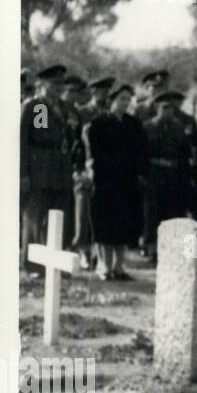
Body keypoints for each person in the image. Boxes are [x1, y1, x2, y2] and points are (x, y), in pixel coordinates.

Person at [83, 84, 148, 281]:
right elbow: (94, 152)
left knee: (124, 223)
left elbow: (142, 151)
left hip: (127, 181)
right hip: (105, 180)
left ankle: (119, 266)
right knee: (104, 224)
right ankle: (104, 265)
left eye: (128, 99)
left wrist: (140, 174)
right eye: (121, 99)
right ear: (111, 100)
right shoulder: (99, 123)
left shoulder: (134, 124)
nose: (125, 103)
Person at [20, 65, 74, 272]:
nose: (59, 87)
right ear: (43, 84)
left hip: (60, 169)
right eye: (55, 83)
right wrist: (23, 173)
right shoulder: (38, 106)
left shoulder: (64, 107)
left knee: (57, 216)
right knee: (36, 216)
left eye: (62, 83)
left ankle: (53, 263)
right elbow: (30, 140)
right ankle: (33, 265)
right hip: (39, 169)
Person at [141, 90, 196, 263]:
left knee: (172, 210)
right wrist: (142, 174)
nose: (168, 111)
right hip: (154, 172)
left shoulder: (179, 127)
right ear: (157, 107)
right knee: (152, 211)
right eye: (164, 107)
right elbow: (141, 154)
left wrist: (186, 175)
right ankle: (151, 247)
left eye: (171, 108)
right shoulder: (148, 127)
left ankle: (171, 247)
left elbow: (186, 153)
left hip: (174, 174)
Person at [72, 76, 115, 269]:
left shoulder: (111, 113)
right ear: (92, 92)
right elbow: (75, 142)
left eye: (106, 91)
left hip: (107, 170)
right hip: (85, 168)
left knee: (103, 213)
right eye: (100, 91)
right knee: (84, 212)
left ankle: (100, 255)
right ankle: (83, 250)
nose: (103, 94)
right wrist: (78, 167)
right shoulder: (82, 112)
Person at [58, 74, 88, 264]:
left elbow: (79, 143)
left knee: (69, 211)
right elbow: (41, 135)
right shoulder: (45, 107)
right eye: (70, 91)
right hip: (51, 166)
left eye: (77, 92)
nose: (73, 96)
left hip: (69, 167)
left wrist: (79, 165)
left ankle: (66, 249)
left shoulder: (76, 114)